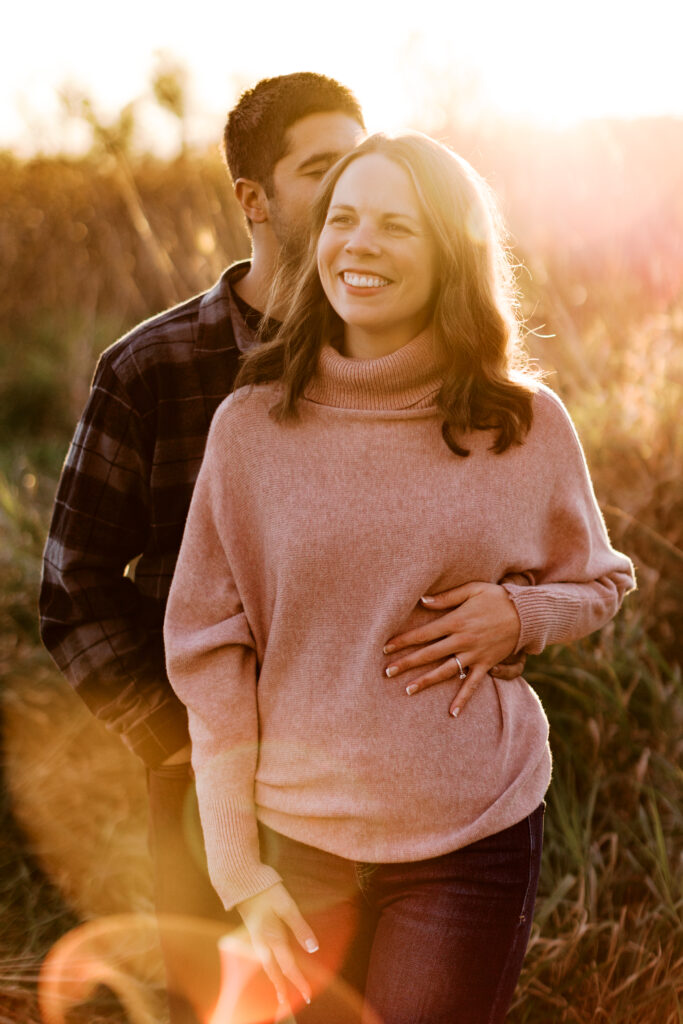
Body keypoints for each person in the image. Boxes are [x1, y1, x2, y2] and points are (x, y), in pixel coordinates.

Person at [38, 76, 523, 1023]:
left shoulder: (426, 363)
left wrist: (513, 621)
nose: (354, 188)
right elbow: (74, 589)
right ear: (253, 201)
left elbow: (508, 560)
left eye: (361, 158)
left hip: (405, 802)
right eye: (321, 170)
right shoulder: (155, 369)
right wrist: (191, 751)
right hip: (214, 790)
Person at [164, 132, 636, 1024]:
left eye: (396, 225)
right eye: (343, 218)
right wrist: (237, 868)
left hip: (471, 835)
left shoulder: (521, 422)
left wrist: (519, 614)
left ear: (450, 253)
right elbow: (206, 651)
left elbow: (601, 583)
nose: (359, 244)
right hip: (296, 841)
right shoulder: (253, 428)